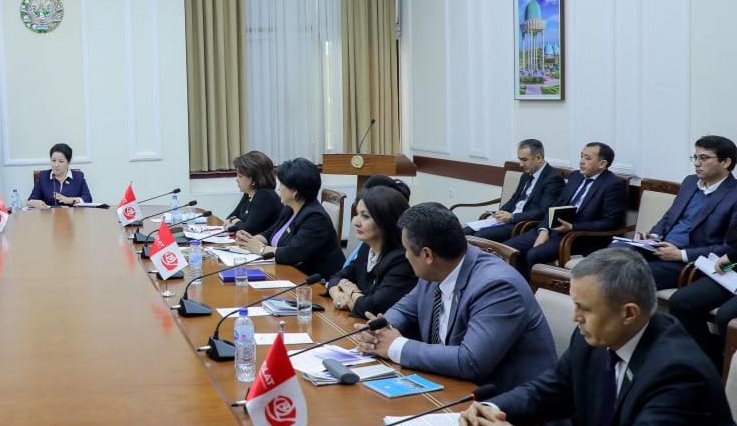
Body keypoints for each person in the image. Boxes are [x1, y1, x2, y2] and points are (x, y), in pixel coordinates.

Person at [459, 249, 737, 426]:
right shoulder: (596, 338)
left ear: (629, 313)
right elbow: (548, 392)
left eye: (585, 309)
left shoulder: (678, 372)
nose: (575, 317)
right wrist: (490, 410)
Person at [359, 202, 556, 393]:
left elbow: (470, 361)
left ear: (427, 255)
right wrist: (379, 331)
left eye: (407, 250)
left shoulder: (498, 286)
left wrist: (395, 346)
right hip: (450, 386)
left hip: (506, 402)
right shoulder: (438, 269)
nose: (406, 256)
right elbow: (404, 309)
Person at [609, 136, 737, 289]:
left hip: (688, 260)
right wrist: (652, 237)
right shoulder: (690, 182)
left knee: (629, 275)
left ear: (725, 162)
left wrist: (681, 254)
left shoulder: (734, 195)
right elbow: (670, 216)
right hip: (659, 248)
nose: (697, 163)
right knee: (611, 255)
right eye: (695, 157)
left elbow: (729, 247)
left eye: (703, 158)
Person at [502, 143, 627, 279]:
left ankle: (533, 290)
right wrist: (544, 230)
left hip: (580, 237)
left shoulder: (612, 185)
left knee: (534, 254)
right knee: (508, 248)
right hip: (555, 229)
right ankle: (519, 284)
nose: (581, 162)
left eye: (587, 158)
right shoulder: (576, 176)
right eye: (581, 156)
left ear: (602, 164)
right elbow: (556, 205)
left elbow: (610, 222)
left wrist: (573, 227)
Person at [235, 158, 344, 280]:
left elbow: (291, 254)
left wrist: (259, 248)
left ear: (294, 191)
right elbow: (270, 233)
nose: (278, 189)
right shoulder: (289, 209)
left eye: (282, 184)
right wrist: (250, 241)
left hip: (316, 282)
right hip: (286, 274)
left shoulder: (315, 218)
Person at [326, 186, 416, 317]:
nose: (356, 222)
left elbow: (373, 307)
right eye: (357, 214)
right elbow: (337, 277)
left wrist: (352, 292)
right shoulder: (367, 247)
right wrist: (337, 295)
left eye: (365, 216)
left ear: (386, 221)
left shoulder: (402, 260)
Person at [663, 221, 737, 371]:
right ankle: (711, 365)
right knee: (681, 301)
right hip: (733, 268)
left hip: (732, 260)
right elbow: (732, 235)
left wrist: (732, 255)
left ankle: (730, 373)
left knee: (726, 316)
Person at [463, 139, 564, 242]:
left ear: (538, 158)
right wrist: (501, 212)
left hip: (523, 224)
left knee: (479, 236)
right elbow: (513, 200)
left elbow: (543, 211)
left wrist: (512, 217)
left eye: (524, 160)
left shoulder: (553, 179)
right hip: (509, 220)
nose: (521, 164)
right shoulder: (526, 175)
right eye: (520, 160)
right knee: (464, 232)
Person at [223, 151, 281, 234]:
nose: (236, 180)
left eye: (240, 176)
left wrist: (235, 221)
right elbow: (230, 217)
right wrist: (235, 221)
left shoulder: (264, 196)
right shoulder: (249, 193)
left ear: (254, 179)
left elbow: (248, 230)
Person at [28, 143, 93, 208]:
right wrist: (34, 203)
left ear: (69, 162)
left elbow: (88, 199)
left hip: (71, 214)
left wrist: (70, 200)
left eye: (61, 161)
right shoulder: (43, 176)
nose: (56, 165)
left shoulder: (78, 177)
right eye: (53, 161)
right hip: (49, 214)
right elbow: (30, 200)